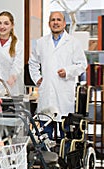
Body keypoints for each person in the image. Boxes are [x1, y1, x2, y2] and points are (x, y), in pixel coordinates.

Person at [28, 11, 88, 140]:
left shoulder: (73, 43)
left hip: (64, 93)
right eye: (53, 20)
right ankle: (47, 159)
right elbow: (32, 63)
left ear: (64, 23)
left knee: (65, 134)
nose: (56, 22)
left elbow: (82, 64)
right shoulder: (41, 43)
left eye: (58, 20)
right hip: (47, 93)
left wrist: (68, 71)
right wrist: (37, 78)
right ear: (49, 23)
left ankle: (64, 159)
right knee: (45, 132)